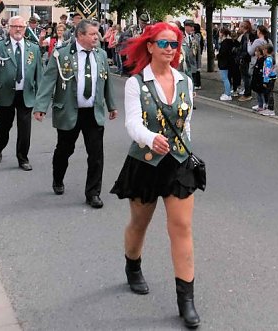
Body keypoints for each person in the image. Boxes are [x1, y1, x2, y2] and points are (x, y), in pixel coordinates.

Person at [110, 22, 203, 328]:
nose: (169, 49)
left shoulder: (185, 81)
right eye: (163, 44)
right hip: (146, 161)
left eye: (174, 44)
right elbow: (132, 124)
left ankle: (186, 300)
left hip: (177, 162)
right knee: (140, 223)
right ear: (149, 46)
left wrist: (187, 149)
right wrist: (150, 138)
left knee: (182, 227)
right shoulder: (136, 83)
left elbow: (185, 121)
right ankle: (133, 266)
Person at [35, 19, 118, 207]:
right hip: (69, 111)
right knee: (64, 150)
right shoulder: (62, 54)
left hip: (93, 112)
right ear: (80, 35)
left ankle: (93, 193)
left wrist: (112, 105)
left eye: (97, 34)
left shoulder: (101, 55)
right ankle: (58, 178)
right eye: (92, 34)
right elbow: (48, 81)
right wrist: (40, 107)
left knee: (96, 154)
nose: (96, 37)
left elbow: (106, 82)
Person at [0, 15, 43, 170]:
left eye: (21, 27)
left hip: (26, 93)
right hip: (5, 94)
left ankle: (23, 158)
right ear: (9, 28)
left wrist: (41, 101)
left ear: (26, 29)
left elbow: (40, 75)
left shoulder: (34, 48)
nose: (18, 29)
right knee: (4, 126)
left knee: (25, 129)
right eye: (15, 26)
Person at [215, 27, 237, 101]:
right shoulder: (231, 41)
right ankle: (227, 92)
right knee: (227, 78)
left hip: (224, 63)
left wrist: (217, 56)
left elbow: (223, 53)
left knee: (225, 79)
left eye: (220, 32)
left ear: (222, 33)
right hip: (229, 62)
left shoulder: (225, 42)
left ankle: (227, 94)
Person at [181, 20, 202, 90]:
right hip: (183, 66)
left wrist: (199, 66)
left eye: (193, 26)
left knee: (191, 86)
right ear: (186, 27)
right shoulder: (181, 37)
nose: (192, 28)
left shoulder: (196, 37)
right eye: (191, 26)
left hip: (193, 66)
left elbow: (198, 52)